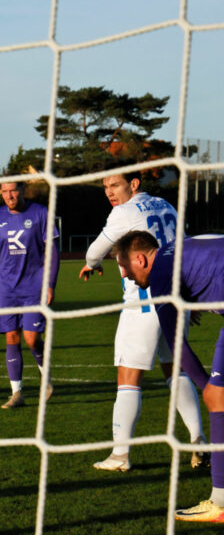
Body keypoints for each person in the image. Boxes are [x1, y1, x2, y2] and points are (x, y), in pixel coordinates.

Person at [79, 172, 206, 472]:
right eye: (105, 187)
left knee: (128, 376)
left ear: (133, 184)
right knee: (176, 368)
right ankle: (197, 440)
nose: (109, 192)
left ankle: (120, 454)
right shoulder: (166, 205)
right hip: (176, 297)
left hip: (144, 302)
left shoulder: (123, 213)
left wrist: (91, 264)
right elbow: (185, 246)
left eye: (115, 185)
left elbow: (94, 251)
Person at [113, 230, 224, 522]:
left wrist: (204, 387)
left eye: (124, 266)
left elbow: (176, 344)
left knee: (218, 397)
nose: (125, 275)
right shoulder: (175, 247)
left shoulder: (160, 274)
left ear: (140, 258)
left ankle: (221, 504)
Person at [0, 181, 58, 409]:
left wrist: (50, 284)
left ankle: (47, 378)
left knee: (32, 339)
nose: (9, 195)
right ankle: (17, 393)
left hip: (34, 287)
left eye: (13, 190)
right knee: (11, 337)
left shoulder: (41, 213)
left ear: (22, 190)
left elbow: (53, 250)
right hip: (7, 290)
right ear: (0, 194)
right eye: (5, 191)